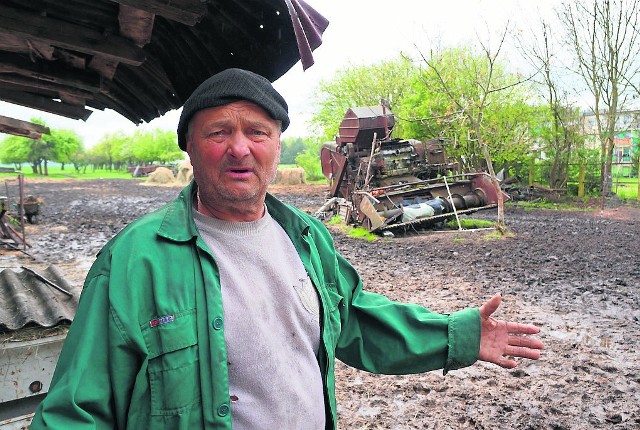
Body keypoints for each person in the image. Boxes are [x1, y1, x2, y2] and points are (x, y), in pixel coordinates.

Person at [30, 68, 543, 430]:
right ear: (188, 146)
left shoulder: (305, 238)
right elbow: (78, 410)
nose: (239, 148)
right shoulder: (134, 260)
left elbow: (357, 318)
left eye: (257, 132)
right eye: (218, 133)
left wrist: (457, 336)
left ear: (277, 145)